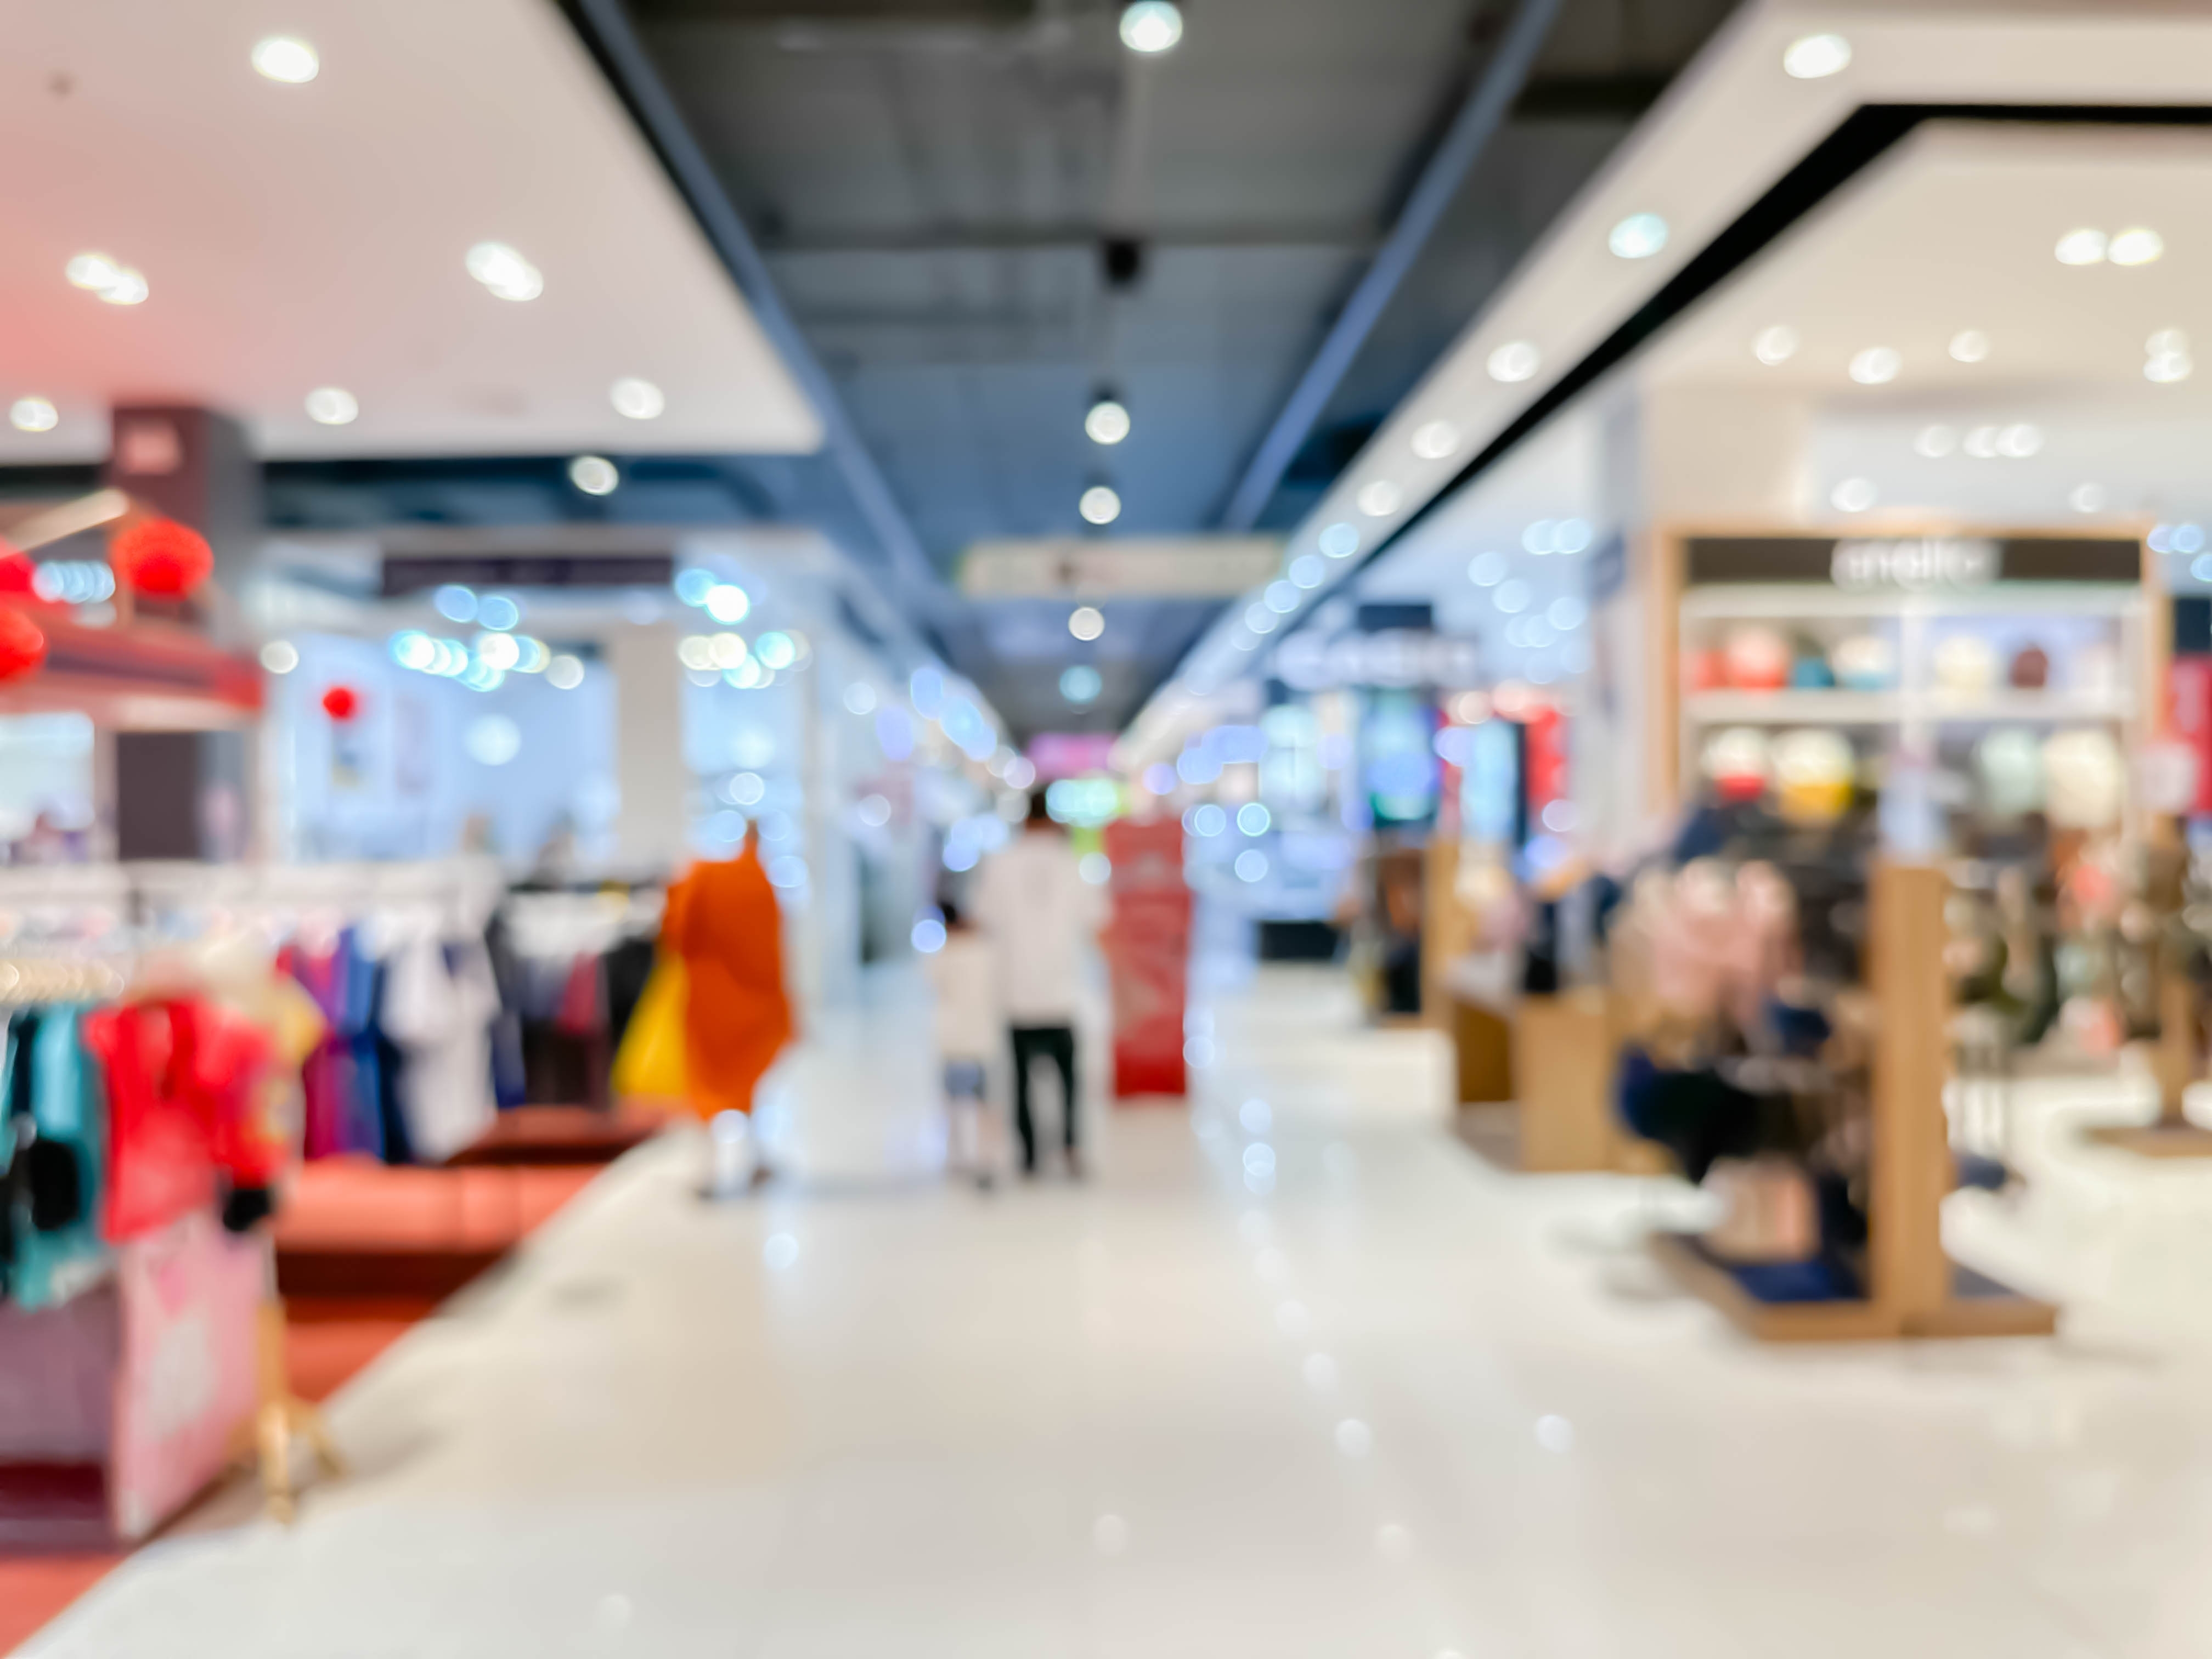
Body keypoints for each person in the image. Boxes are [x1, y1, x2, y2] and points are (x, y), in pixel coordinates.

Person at [970, 789, 1106, 1177]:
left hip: (1015, 991)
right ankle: (1069, 1147)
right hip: (1063, 990)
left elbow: (983, 919)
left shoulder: (999, 863)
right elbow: (1096, 920)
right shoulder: (1074, 863)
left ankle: (1029, 1155)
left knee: (1020, 1079)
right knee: (1069, 1080)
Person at [662, 821, 794, 1183]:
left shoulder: (705, 877)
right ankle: (742, 1161)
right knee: (748, 1085)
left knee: (709, 1084)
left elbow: (677, 935)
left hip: (714, 1000)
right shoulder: (756, 881)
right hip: (748, 1003)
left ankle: (712, 1167)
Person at [923, 899, 1001, 1189]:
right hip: (979, 1041)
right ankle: (984, 1155)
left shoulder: (943, 955)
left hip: (952, 1041)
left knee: (954, 1103)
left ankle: (957, 1156)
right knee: (981, 1103)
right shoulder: (984, 952)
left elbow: (932, 983)